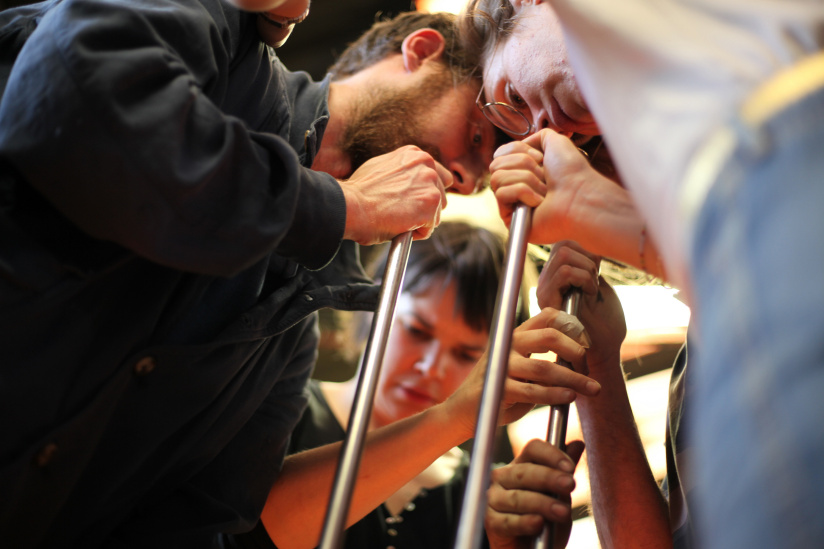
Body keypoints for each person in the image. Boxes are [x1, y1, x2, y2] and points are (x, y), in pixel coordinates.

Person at [0, 3, 504, 547]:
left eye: (478, 180)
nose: (462, 177)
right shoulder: (230, 52)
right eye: (476, 136)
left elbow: (200, 525)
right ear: (422, 52)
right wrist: (344, 207)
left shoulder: (290, 341)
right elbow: (70, 99)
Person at [220, 222, 598, 549]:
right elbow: (241, 535)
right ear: (375, 305)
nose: (431, 368)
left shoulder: (488, 496)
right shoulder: (279, 413)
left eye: (468, 353)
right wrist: (451, 418)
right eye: (417, 330)